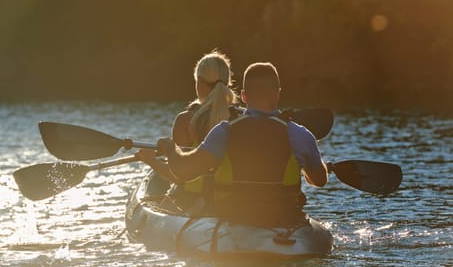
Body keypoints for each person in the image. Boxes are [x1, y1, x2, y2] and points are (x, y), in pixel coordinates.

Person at [157, 62, 328, 227]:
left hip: (235, 219)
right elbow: (319, 180)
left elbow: (185, 171)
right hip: (284, 219)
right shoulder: (300, 135)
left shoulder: (224, 131)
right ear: (277, 93)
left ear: (244, 96)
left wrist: (172, 150)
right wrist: (306, 164)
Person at [136, 50, 239, 188]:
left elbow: (179, 176)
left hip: (191, 198)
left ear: (200, 83)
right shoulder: (241, 118)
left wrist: (151, 161)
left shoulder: (185, 120)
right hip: (226, 198)